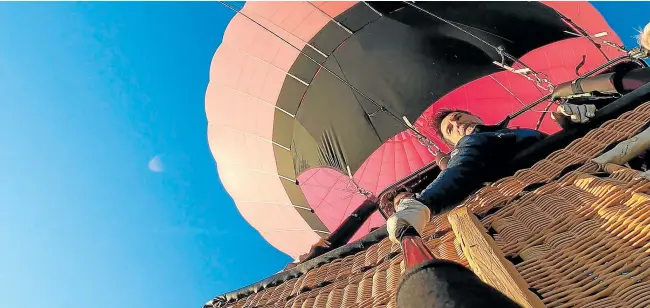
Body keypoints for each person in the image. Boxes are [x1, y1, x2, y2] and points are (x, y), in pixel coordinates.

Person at [387, 64, 650, 243]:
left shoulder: (502, 135)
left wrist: (570, 116)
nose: (456, 124)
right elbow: (463, 166)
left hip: (595, 175)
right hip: (575, 192)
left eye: (457, 117)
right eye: (450, 129)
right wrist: (422, 203)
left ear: (473, 115)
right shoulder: (473, 145)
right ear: (451, 143)